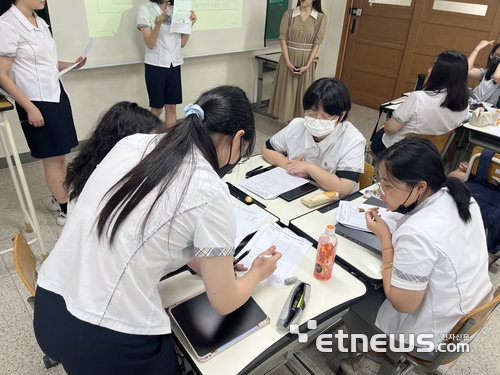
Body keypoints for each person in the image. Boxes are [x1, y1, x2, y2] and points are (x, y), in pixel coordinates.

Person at [33, 85, 282, 374]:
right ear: (239, 139)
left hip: (50, 310)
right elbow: (225, 302)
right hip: (105, 337)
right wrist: (256, 274)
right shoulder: (212, 191)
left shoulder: (135, 144)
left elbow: (149, 224)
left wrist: (209, 265)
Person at [340, 137, 492, 375]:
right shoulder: (458, 194)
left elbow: (402, 303)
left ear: (420, 187)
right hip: (468, 308)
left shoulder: (417, 233)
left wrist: (385, 239)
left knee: (352, 292)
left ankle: (372, 358)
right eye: (380, 181)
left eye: (388, 186)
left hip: (435, 335)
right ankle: (377, 352)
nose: (381, 191)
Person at [0, 0, 86, 226]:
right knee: (53, 159)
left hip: (56, 95)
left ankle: (59, 198)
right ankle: (66, 211)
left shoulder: (41, 22)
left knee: (60, 156)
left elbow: (46, 63)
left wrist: (71, 64)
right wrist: (29, 107)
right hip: (36, 101)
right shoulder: (7, 24)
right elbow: (2, 74)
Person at [262, 77, 365, 197]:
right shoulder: (297, 126)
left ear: (341, 115)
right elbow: (266, 149)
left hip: (330, 201)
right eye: (311, 114)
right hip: (297, 191)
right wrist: (289, 166)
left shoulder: (353, 140)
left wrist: (308, 167)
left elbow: (343, 188)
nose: (317, 120)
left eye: (325, 117)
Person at [64, 101, 164, 213]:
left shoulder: (88, 164)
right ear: (126, 139)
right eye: (149, 141)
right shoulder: (113, 179)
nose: (153, 147)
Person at [370, 50, 469, 156]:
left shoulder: (418, 98)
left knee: (383, 127)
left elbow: (390, 129)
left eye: (434, 66)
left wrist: (385, 127)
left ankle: (374, 166)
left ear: (442, 73)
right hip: (428, 154)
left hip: (398, 153)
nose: (429, 70)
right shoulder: (464, 104)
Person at [137, 0, 197, 129]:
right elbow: (150, 43)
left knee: (172, 107)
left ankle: (170, 142)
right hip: (155, 65)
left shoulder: (176, 8)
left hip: (174, 63)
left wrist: (189, 25)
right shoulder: (145, 9)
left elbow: (181, 44)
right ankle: (147, 141)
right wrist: (158, 24)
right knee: (157, 109)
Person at [268, 0, 327, 122]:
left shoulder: (321, 18)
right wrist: (288, 62)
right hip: (288, 58)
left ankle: (300, 124)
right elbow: (283, 39)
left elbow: (317, 44)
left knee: (303, 92)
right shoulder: (288, 14)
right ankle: (287, 124)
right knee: (287, 92)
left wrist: (308, 65)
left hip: (306, 61)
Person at [468, 40, 500, 105]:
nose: (495, 58)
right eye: (494, 54)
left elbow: (496, 77)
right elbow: (468, 70)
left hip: (489, 112)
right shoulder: (487, 72)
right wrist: (477, 48)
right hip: (474, 106)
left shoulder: (497, 76)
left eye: (499, 56)